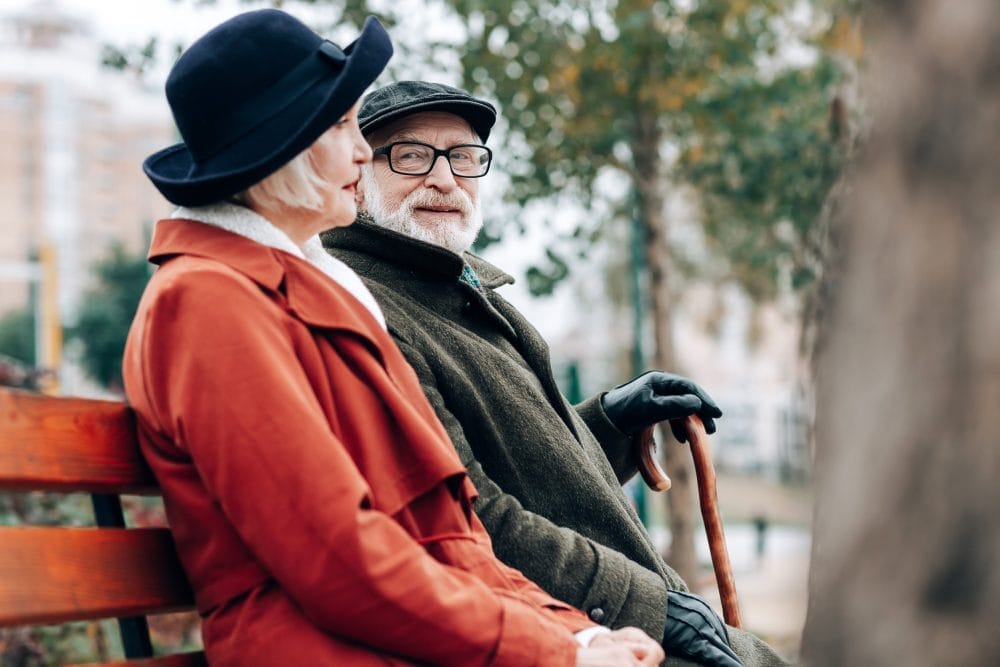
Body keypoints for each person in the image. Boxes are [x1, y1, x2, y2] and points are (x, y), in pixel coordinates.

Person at [124, 13, 664, 667]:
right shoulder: (208, 303)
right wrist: (558, 654)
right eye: (343, 126)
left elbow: (447, 533)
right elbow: (335, 559)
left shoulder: (323, 292)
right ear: (286, 148)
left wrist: (576, 633)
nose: (360, 152)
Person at [323, 80, 789, 667]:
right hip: (560, 632)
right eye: (411, 155)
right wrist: (648, 606)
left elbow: (526, 469)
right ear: (358, 176)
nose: (444, 178)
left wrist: (610, 421)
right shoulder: (368, 308)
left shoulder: (457, 288)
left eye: (462, 157)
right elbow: (466, 517)